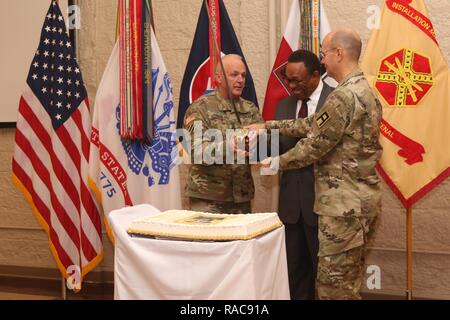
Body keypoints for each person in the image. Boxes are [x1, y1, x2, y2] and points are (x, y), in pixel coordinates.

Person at [248, 28, 383, 299]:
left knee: (333, 290)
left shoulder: (344, 96)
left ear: (339, 53)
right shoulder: (363, 90)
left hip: (342, 209)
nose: (322, 61)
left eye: (324, 53)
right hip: (360, 203)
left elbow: (314, 145)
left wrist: (277, 162)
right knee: (348, 283)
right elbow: (314, 123)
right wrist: (269, 124)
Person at [275, 49, 334, 300]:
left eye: (297, 80)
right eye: (287, 79)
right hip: (290, 207)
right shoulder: (283, 105)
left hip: (325, 206)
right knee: (294, 273)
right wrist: (251, 147)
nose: (290, 85)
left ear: (315, 75)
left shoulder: (335, 100)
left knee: (326, 277)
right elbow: (277, 148)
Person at [183, 54, 263, 214]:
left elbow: (261, 152)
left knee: (241, 239)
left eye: (243, 75)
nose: (240, 80)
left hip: (241, 198)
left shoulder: (250, 109)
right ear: (218, 78)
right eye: (234, 74)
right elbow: (196, 151)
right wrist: (230, 146)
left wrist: (263, 142)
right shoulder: (199, 109)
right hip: (207, 198)